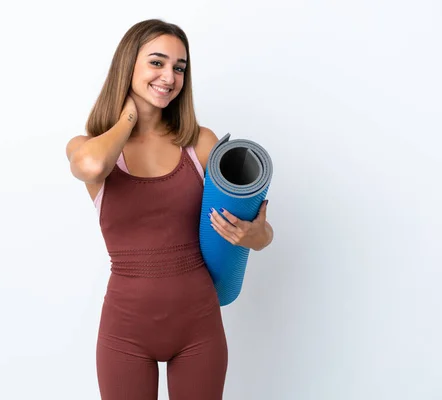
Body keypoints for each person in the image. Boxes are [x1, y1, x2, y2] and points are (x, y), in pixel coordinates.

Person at [65, 18, 274, 400]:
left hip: (198, 326)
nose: (170, 76)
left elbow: (263, 232)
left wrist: (255, 235)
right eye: (156, 63)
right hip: (125, 332)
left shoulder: (200, 144)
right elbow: (92, 168)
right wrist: (129, 115)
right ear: (128, 66)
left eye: (179, 67)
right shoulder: (89, 146)